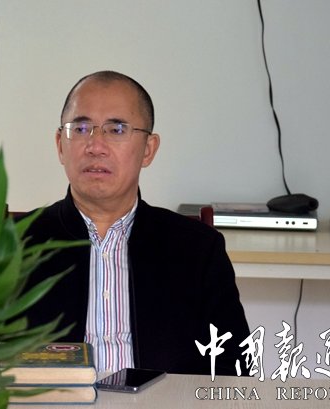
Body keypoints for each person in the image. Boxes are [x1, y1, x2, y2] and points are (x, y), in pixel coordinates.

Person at [22, 70, 250, 376]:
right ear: (60, 145)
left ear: (148, 150)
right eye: (81, 128)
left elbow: (234, 367)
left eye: (116, 130)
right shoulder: (15, 243)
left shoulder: (197, 248)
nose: (95, 145)